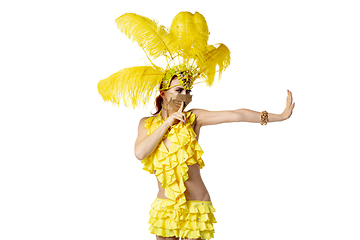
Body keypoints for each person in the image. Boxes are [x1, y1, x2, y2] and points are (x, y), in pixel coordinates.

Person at [98, 11, 295, 240]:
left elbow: (236, 114)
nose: (185, 95)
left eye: (188, 91)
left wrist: (278, 116)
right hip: (165, 208)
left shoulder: (194, 118)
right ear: (163, 92)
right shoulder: (146, 124)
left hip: (196, 207)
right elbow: (140, 153)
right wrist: (169, 122)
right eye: (178, 90)